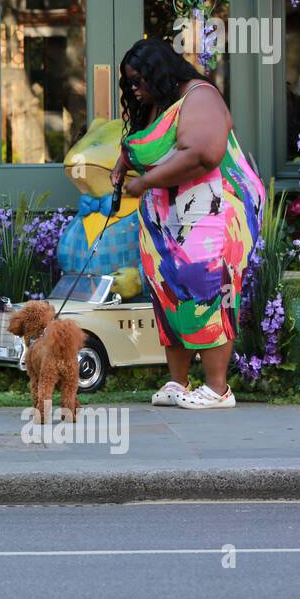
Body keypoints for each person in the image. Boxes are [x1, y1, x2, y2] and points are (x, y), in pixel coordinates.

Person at [111, 38, 265, 410]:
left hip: (212, 209)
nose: (134, 88)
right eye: (130, 82)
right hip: (166, 215)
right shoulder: (157, 105)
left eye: (139, 80)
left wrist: (145, 181)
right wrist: (124, 163)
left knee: (206, 286)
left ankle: (217, 388)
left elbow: (203, 153)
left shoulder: (200, 96)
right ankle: (178, 382)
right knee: (167, 291)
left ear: (159, 73)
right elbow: (151, 145)